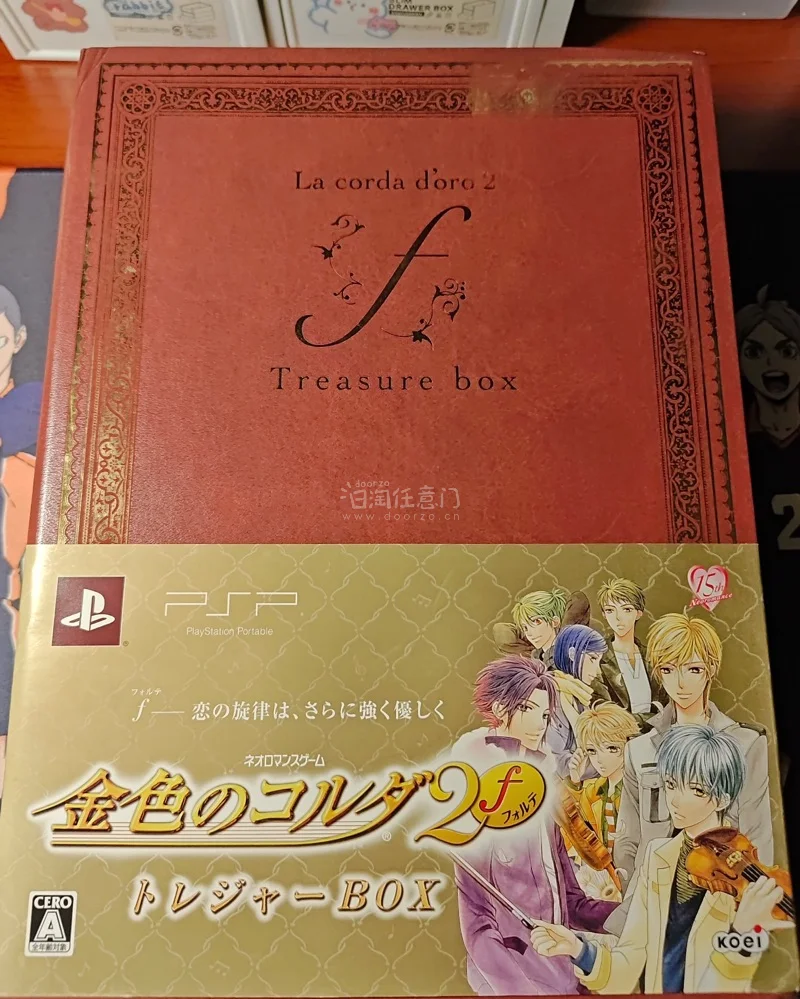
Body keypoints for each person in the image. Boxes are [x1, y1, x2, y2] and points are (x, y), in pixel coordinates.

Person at [530, 725, 790, 994]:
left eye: (696, 790)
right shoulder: (659, 855)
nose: (675, 800)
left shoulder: (744, 874)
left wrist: (744, 932)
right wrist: (578, 949)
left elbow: (738, 982)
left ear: (722, 799)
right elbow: (631, 956)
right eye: (671, 784)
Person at [452, 655, 617, 995]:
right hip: (510, 980)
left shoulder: (543, 797)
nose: (539, 724)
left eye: (544, 714)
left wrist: (640, 918)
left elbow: (572, 903)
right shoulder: (476, 795)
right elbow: (478, 926)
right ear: (500, 708)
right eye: (527, 709)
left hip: (561, 971)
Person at [613, 613, 772, 893]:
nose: (681, 683)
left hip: (723, 888)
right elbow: (628, 837)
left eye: (694, 669)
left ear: (710, 669)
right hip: (652, 889)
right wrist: (633, 895)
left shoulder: (745, 743)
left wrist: (748, 899)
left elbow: (757, 834)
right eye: (668, 669)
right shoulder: (640, 748)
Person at [562, 703, 640, 896]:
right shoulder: (591, 790)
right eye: (592, 751)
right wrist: (575, 781)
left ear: (628, 745)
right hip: (606, 880)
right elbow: (572, 834)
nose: (600, 759)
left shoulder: (640, 789)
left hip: (638, 877)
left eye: (611, 748)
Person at [597, 577, 666, 724]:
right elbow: (604, 715)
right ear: (604, 614)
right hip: (617, 735)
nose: (618, 617)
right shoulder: (597, 659)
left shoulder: (653, 658)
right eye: (610, 610)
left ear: (639, 613)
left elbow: (666, 709)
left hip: (656, 735)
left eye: (627, 609)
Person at [549, 625, 607, 759]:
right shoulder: (553, 697)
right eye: (593, 658)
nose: (597, 670)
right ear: (572, 654)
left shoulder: (581, 696)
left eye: (599, 661)